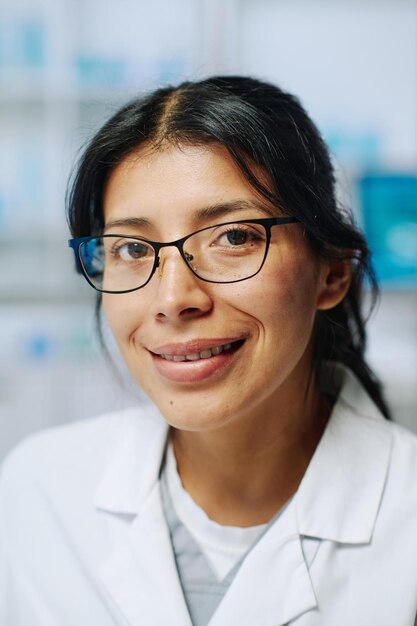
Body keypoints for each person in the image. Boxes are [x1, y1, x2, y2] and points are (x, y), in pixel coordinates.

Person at [1, 75, 416, 626]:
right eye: (130, 247)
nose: (173, 299)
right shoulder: (38, 491)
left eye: (234, 237)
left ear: (332, 274)